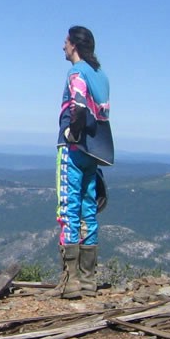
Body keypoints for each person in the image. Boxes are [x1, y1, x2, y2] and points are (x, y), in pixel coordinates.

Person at [56, 26, 114, 299]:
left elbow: (78, 105)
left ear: (75, 45)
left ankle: (71, 281)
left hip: (74, 149)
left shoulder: (76, 72)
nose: (63, 47)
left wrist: (71, 133)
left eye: (66, 43)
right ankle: (89, 281)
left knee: (68, 208)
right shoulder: (101, 76)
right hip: (95, 152)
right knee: (88, 210)